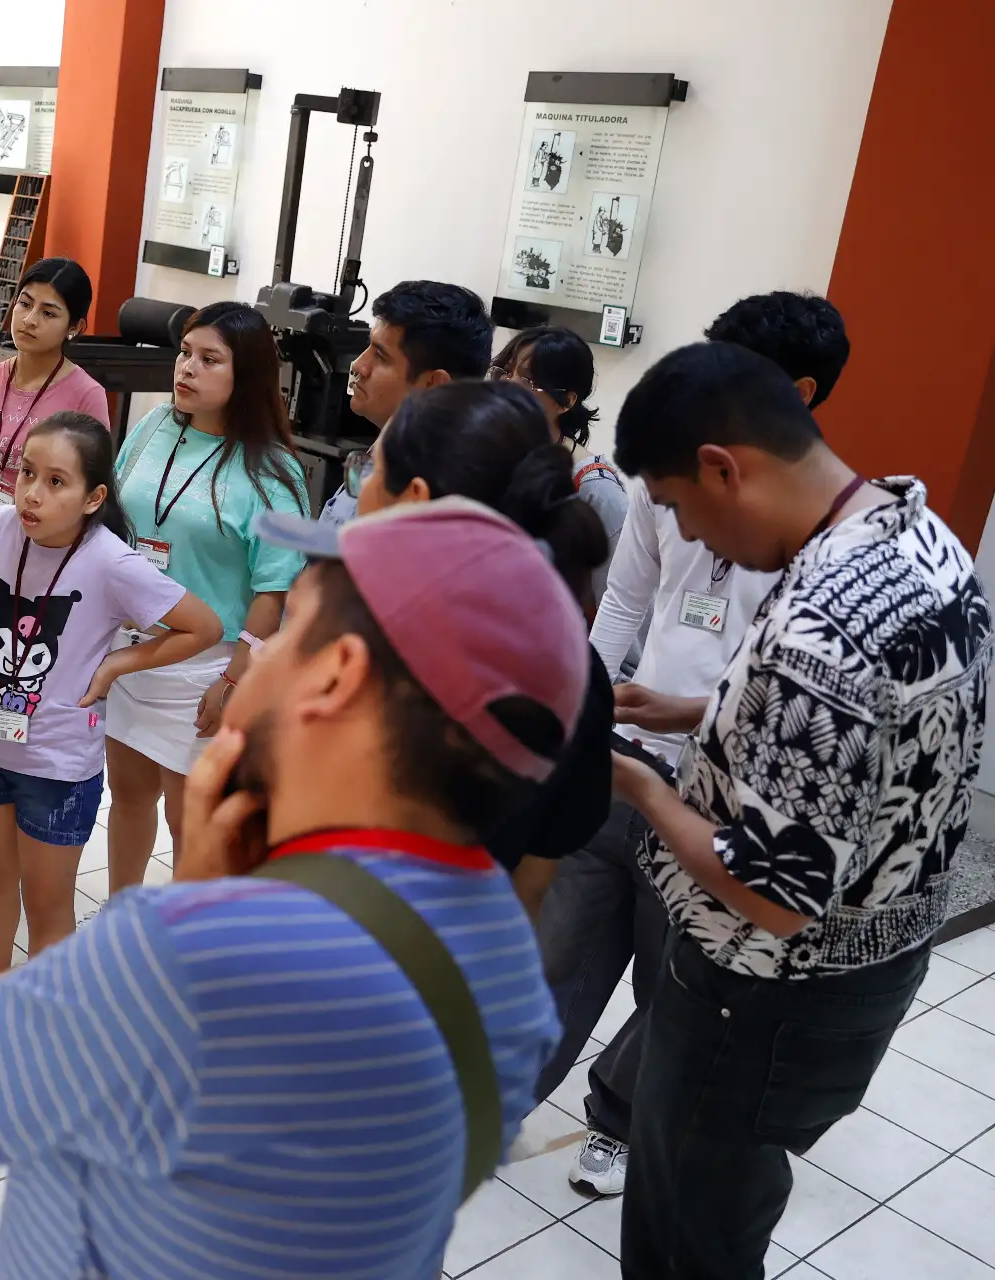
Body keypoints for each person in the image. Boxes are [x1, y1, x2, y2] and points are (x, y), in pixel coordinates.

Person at [0, 497, 580, 1280]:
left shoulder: (191, 944)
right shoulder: (511, 961)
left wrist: (195, 900)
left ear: (333, 678)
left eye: (285, 632)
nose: (259, 650)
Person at [606, 341, 990, 1277]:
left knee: (685, 1244)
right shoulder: (911, 532)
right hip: (866, 964)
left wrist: (636, 780)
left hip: (761, 994)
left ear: (722, 468)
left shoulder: (822, 625)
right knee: (727, 1207)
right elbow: (877, 735)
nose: (690, 539)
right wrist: (702, 710)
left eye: (679, 509)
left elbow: (775, 894)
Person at [536, 290, 849, 1200]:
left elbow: (788, 711)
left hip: (718, 788)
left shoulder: (821, 535)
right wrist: (587, 702)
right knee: (559, 945)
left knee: (675, 982)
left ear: (796, 393)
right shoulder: (662, 480)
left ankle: (618, 1120)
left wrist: (688, 719)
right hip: (626, 748)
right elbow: (628, 602)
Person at [0, 411, 219, 974]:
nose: (32, 494)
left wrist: (116, 666)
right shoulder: (0, 527)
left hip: (56, 763)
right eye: (27, 473)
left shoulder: (111, 562)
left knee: (47, 901)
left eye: (56, 482)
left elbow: (203, 627)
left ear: (93, 497)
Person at [348, 381, 615, 913]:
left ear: (415, 501)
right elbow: (531, 885)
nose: (360, 488)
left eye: (371, 469)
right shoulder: (577, 672)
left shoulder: (367, 646)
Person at [104, 302, 309, 893]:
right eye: (185, 353)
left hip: (205, 668)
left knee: (187, 817)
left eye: (209, 359)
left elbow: (273, 592)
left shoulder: (272, 472)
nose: (186, 369)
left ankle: (181, 947)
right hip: (133, 650)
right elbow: (117, 521)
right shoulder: (154, 427)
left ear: (244, 376)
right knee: (128, 796)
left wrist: (234, 682)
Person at [0, 258, 110, 867]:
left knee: (26, 687)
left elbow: (80, 490)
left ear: (75, 326)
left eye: (50, 311)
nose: (30, 319)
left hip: (49, 570)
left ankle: (23, 810)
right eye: (25, 302)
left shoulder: (84, 393)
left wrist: (20, 555)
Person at [317, 279, 493, 525]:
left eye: (380, 355)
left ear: (434, 385)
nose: (358, 365)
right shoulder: (384, 454)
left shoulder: (426, 505)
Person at [488, 325, 625, 598]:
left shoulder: (595, 487)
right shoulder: (488, 458)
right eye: (504, 372)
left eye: (527, 381)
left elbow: (620, 601)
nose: (506, 385)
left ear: (565, 401)